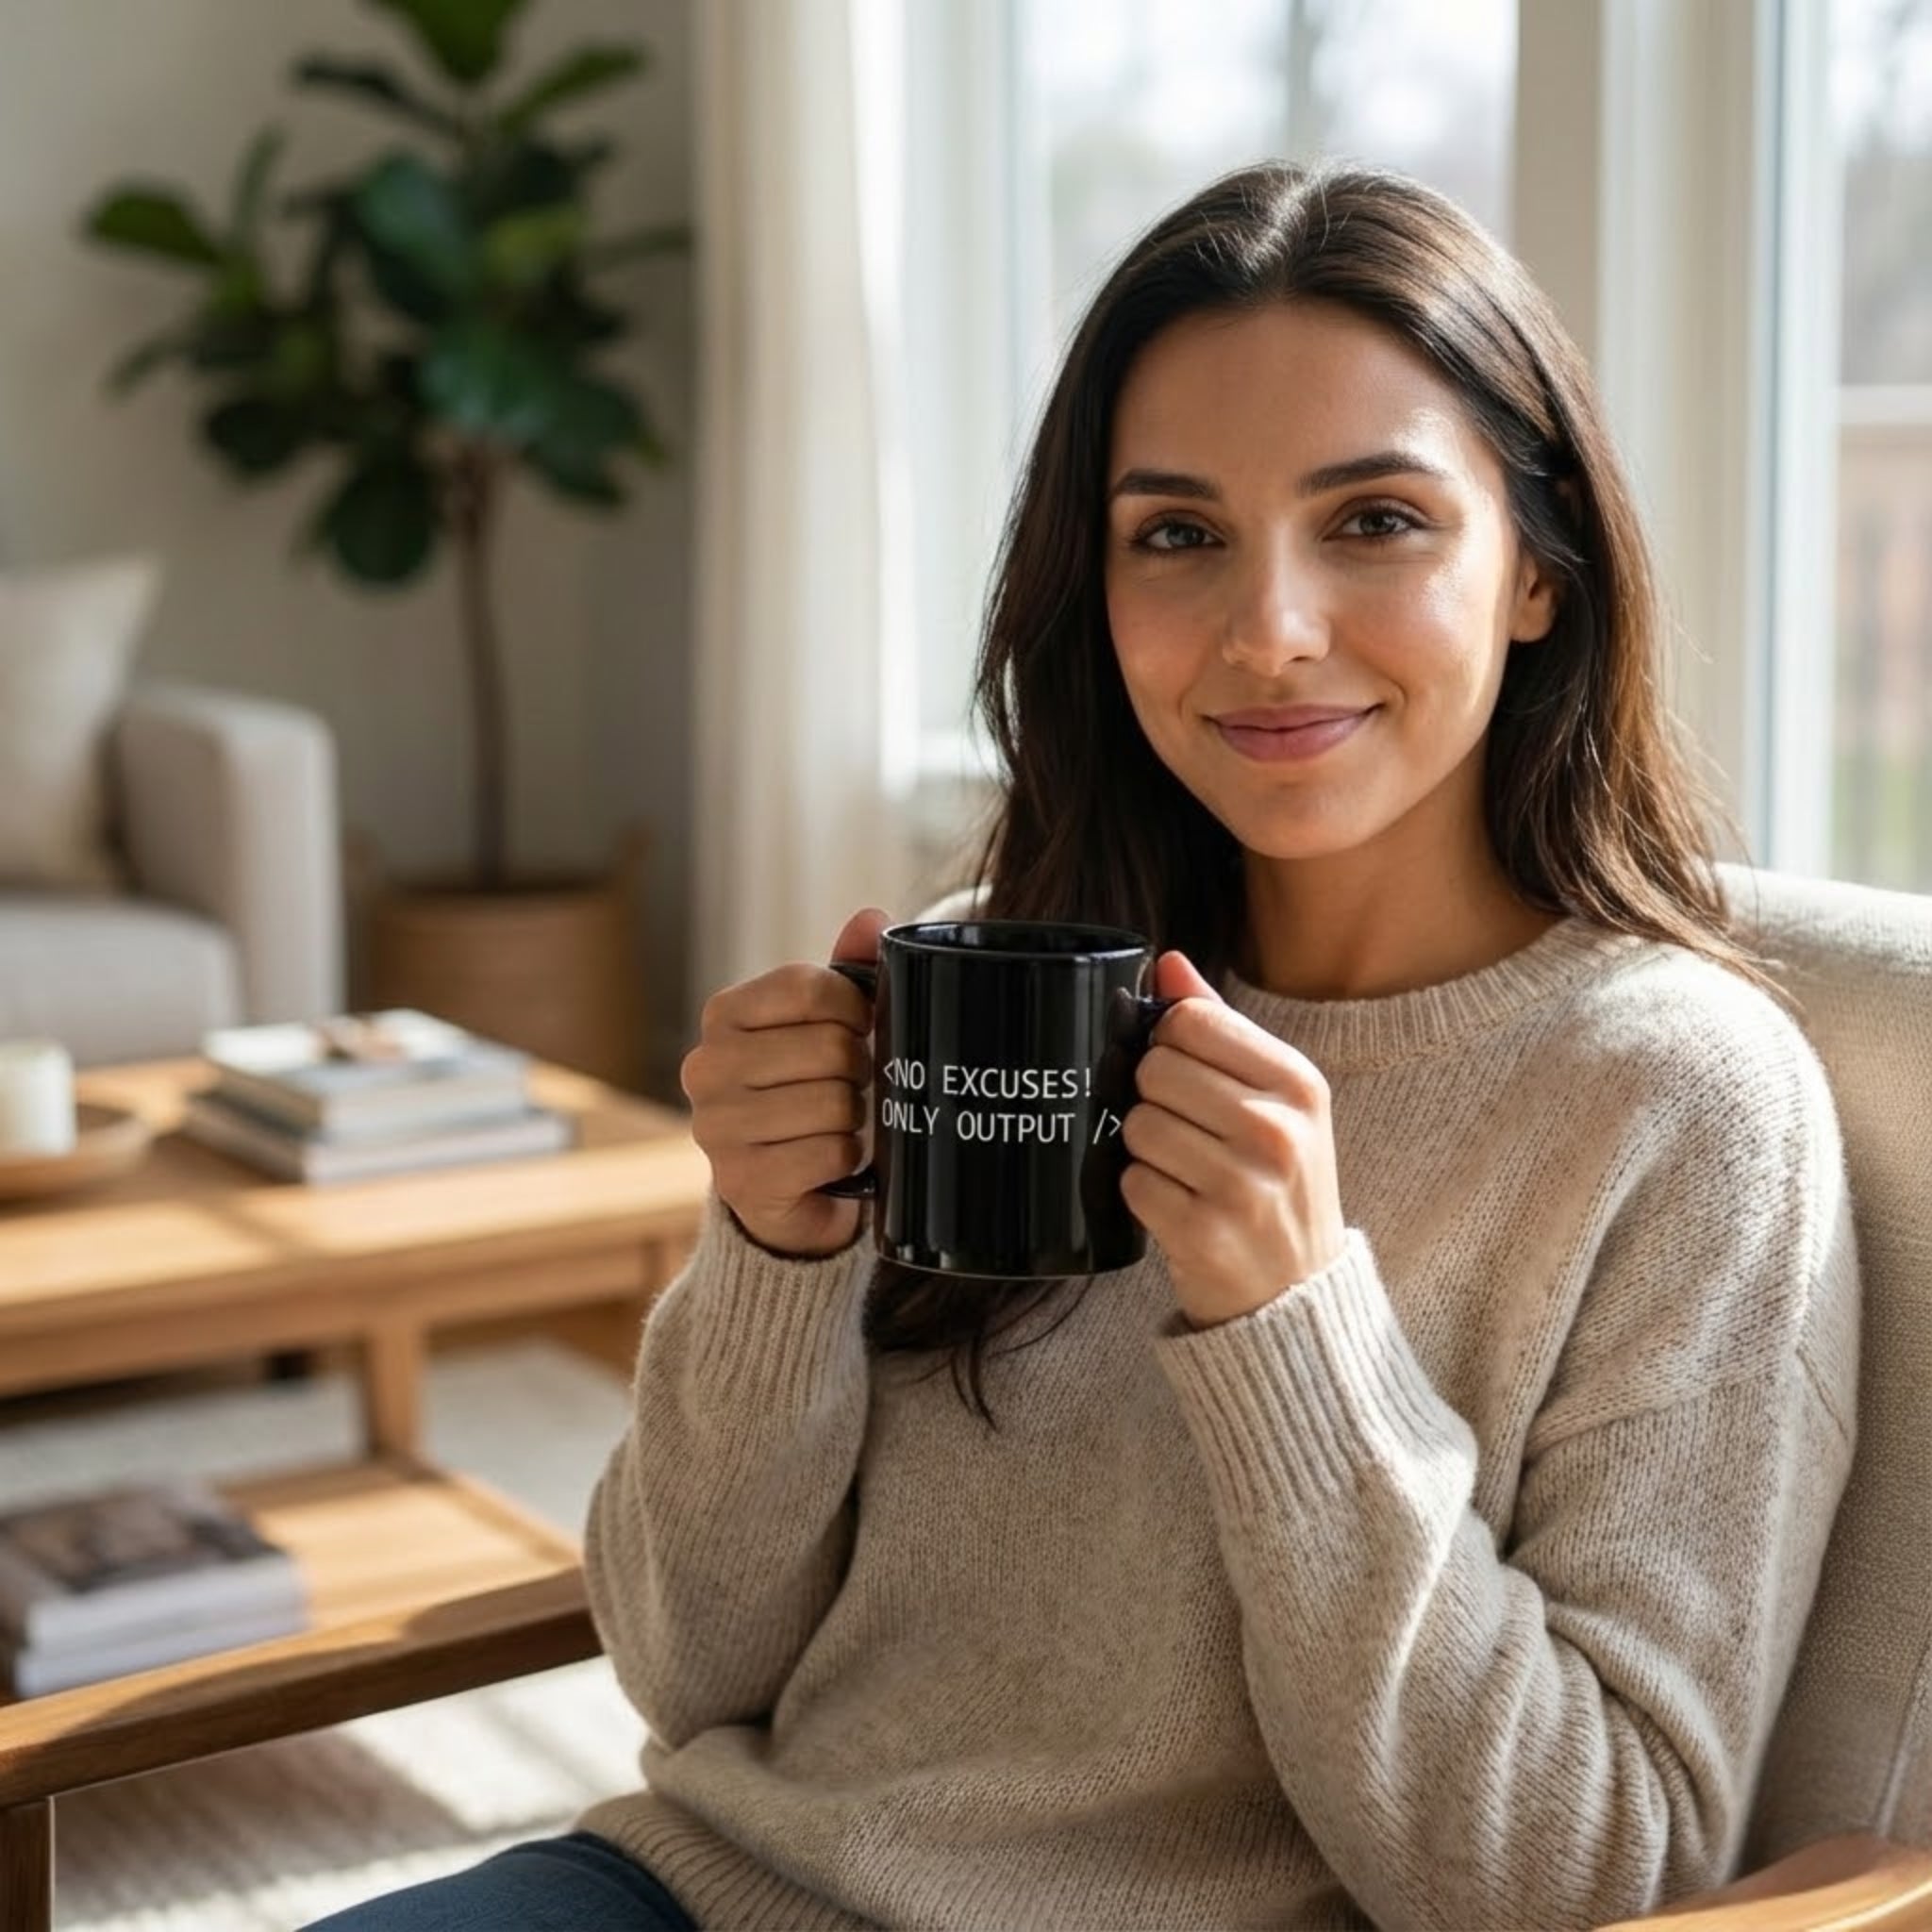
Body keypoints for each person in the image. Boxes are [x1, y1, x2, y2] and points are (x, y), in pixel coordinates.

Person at [306, 159, 1858, 1932]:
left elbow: (1581, 1878)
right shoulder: (983, 986)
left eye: (1377, 521)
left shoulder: (1685, 1104)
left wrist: (1296, 1333)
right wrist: (771, 1254)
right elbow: (682, 1670)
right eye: (1176, 534)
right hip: (697, 1893)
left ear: (1537, 572)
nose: (1268, 629)